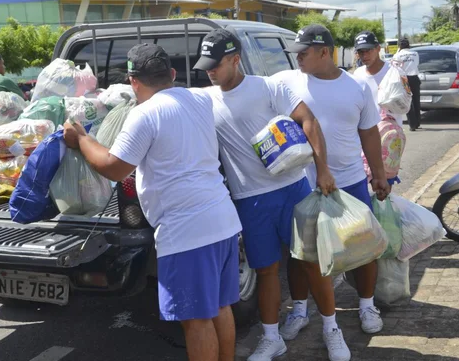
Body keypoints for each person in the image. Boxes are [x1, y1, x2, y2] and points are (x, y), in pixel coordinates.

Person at [62, 43, 243, 361]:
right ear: (172, 74)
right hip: (223, 221)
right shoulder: (200, 98)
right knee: (219, 307)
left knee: (196, 321)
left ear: (133, 82)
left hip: (187, 233)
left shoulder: (144, 115)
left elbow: (114, 167)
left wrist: (81, 140)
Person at [194, 28, 350, 361]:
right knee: (265, 270)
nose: (209, 70)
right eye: (206, 64)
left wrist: (322, 170)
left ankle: (331, 329)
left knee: (311, 264)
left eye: (216, 64)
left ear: (236, 59)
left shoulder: (269, 87)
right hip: (249, 200)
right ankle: (270, 337)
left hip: (292, 190)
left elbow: (308, 121)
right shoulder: (205, 100)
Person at [274, 24, 391, 340]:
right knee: (301, 254)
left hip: (350, 181)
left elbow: (369, 133)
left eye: (304, 52)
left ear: (324, 52)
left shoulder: (357, 88)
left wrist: (378, 175)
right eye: (295, 52)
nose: (297, 58)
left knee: (361, 247)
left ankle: (366, 305)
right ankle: (299, 310)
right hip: (302, 184)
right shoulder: (285, 82)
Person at [352, 31, 405, 186]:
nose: (364, 55)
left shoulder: (394, 72)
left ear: (378, 48)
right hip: (364, 134)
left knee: (385, 181)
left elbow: (405, 104)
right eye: (360, 52)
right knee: (363, 179)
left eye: (368, 50)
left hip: (387, 136)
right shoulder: (358, 74)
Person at [392, 38, 421, 131]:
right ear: (409, 45)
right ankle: (417, 122)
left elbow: (395, 67)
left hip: (404, 79)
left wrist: (398, 51)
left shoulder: (397, 55)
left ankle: (412, 124)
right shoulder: (415, 53)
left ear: (399, 46)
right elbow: (416, 64)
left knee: (408, 101)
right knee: (416, 100)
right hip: (415, 77)